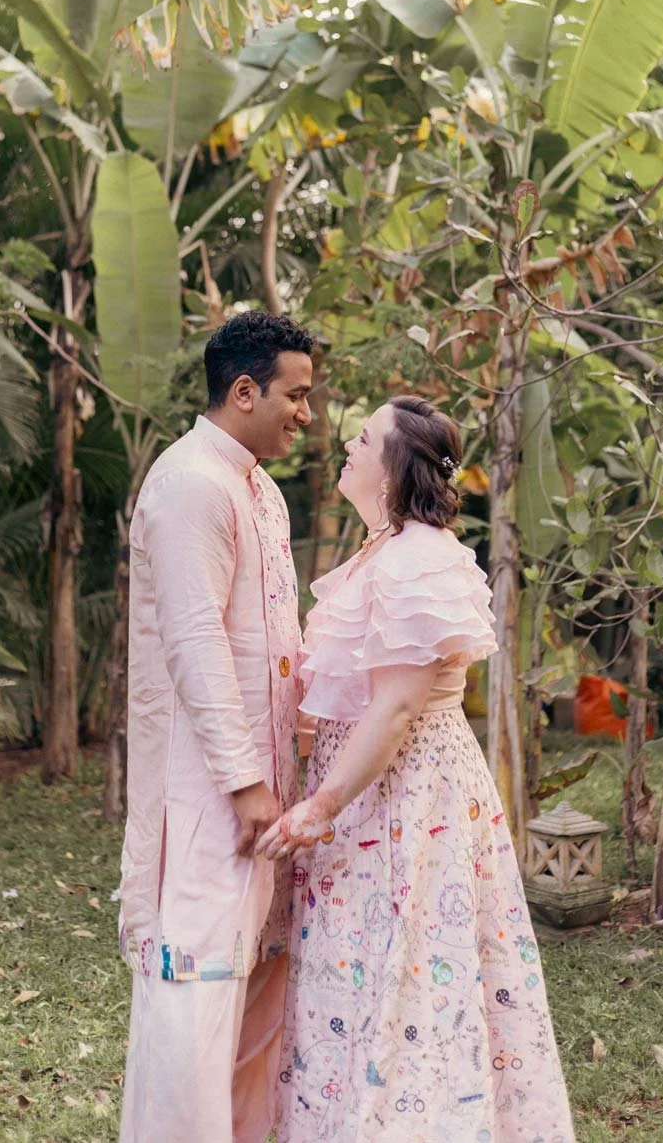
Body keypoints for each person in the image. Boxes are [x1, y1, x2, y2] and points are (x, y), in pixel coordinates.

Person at [257, 395, 575, 1142]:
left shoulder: (415, 561)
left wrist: (320, 804)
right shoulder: (382, 552)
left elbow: (395, 709)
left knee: (406, 976)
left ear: (395, 467)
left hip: (403, 798)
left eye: (363, 437)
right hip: (369, 797)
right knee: (363, 976)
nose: (346, 443)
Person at [117, 310, 315, 1143]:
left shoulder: (256, 485)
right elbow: (197, 641)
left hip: (268, 787)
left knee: (258, 997)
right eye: (295, 395)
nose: (307, 413)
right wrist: (244, 782)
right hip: (209, 793)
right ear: (244, 391)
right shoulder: (191, 480)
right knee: (194, 1000)